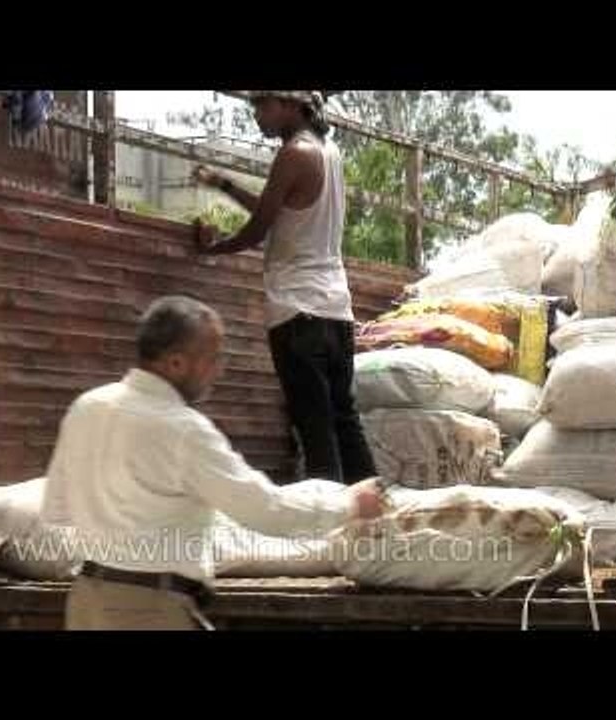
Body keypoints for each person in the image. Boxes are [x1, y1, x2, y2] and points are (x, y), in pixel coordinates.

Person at [40, 295, 384, 631]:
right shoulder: (182, 429)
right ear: (176, 363)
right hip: (149, 610)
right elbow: (265, 509)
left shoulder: (87, 407)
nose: (218, 370)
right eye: (212, 358)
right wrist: (350, 504)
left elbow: (57, 510)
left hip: (87, 601)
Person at [191, 90, 376, 486]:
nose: (256, 114)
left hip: (297, 312)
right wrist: (222, 183)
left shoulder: (293, 154)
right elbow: (276, 212)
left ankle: (327, 531)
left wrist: (213, 248)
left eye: (262, 104)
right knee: (344, 419)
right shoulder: (327, 152)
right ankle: (376, 521)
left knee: (315, 427)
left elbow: (260, 228)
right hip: (336, 311)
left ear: (292, 104)